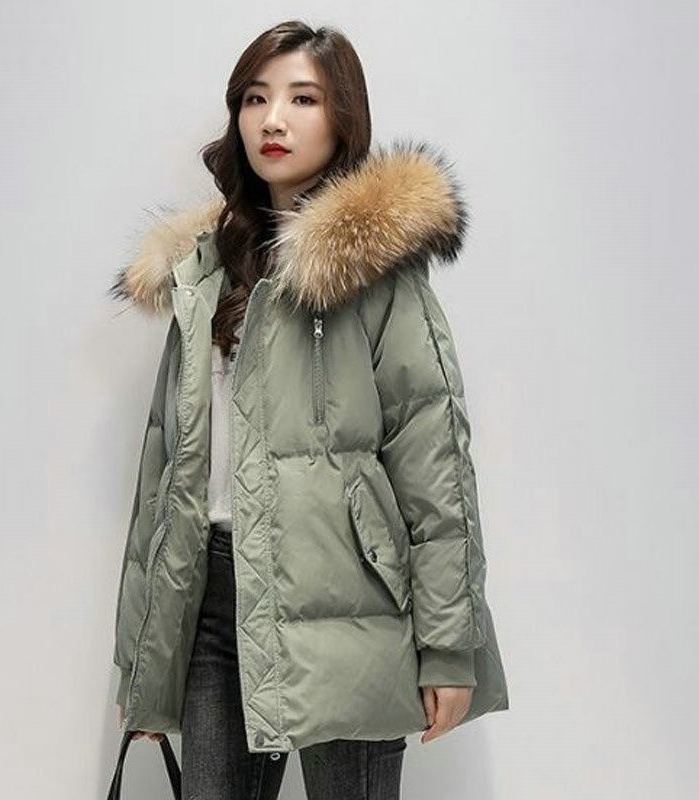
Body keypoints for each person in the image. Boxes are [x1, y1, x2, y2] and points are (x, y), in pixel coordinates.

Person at [108, 19, 509, 800]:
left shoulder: (380, 274)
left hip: (350, 604)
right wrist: (143, 661)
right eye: (255, 98)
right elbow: (164, 474)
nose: (274, 119)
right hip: (215, 603)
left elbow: (435, 467)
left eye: (303, 98)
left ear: (342, 117)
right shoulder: (205, 274)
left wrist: (449, 649)